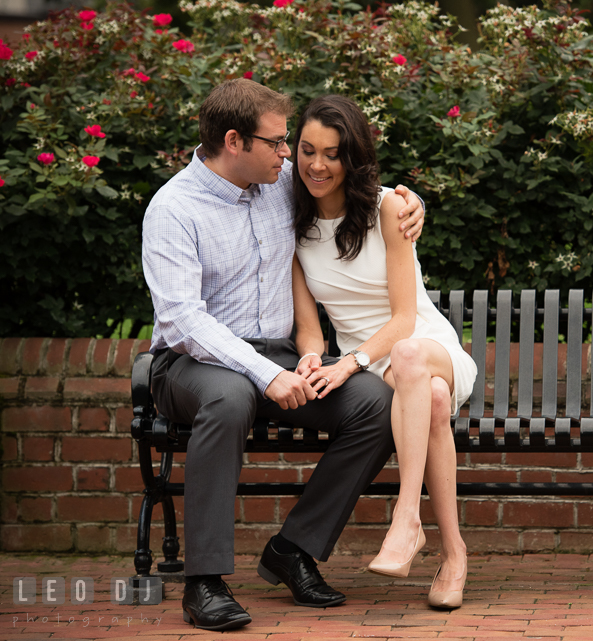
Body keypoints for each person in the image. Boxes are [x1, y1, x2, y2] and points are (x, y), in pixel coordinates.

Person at [141, 79, 425, 631]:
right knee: (226, 399)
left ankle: (293, 548)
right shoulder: (173, 209)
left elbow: (351, 181)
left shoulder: (278, 182)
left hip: (279, 358)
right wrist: (265, 373)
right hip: (193, 363)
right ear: (233, 141)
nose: (289, 153)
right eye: (275, 142)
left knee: (375, 404)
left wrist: (413, 202)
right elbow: (183, 319)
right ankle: (203, 583)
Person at [289, 95, 477, 610]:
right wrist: (311, 356)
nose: (317, 164)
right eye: (307, 150)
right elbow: (309, 328)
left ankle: (406, 519)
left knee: (418, 361)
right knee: (433, 402)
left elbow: (403, 318)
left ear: (352, 158)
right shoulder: (295, 228)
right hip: (382, 373)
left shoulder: (388, 208)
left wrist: (349, 362)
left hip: (424, 346)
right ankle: (454, 554)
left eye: (332, 153)